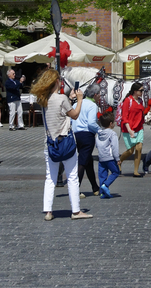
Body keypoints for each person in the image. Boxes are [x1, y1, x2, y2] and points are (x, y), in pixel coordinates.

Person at [31, 69, 92, 220]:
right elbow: (75, 115)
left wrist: (70, 100)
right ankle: (76, 211)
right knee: (72, 177)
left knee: (50, 177)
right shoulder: (62, 98)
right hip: (66, 142)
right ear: (57, 81)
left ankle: (48, 211)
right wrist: (79, 99)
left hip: (51, 144)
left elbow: (59, 111)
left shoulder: (43, 100)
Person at [72, 84, 101, 198]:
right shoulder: (93, 105)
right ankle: (75, 188)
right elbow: (91, 123)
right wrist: (100, 131)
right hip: (87, 135)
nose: (100, 96)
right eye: (99, 94)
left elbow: (71, 120)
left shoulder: (76, 103)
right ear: (95, 95)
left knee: (88, 161)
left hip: (77, 134)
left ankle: (95, 187)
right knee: (82, 162)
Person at [118, 82, 149, 176]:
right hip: (128, 128)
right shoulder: (128, 100)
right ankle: (119, 161)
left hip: (139, 128)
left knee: (139, 148)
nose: (143, 92)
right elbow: (124, 117)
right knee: (130, 151)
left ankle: (136, 171)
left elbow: (141, 114)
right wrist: (130, 130)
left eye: (143, 90)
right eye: (141, 90)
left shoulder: (141, 101)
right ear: (135, 91)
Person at [96, 113, 121, 199]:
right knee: (116, 172)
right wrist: (117, 158)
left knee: (102, 175)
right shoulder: (112, 134)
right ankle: (105, 185)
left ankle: (102, 193)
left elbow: (97, 145)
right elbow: (114, 147)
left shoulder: (99, 134)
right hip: (110, 158)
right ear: (111, 124)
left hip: (101, 157)